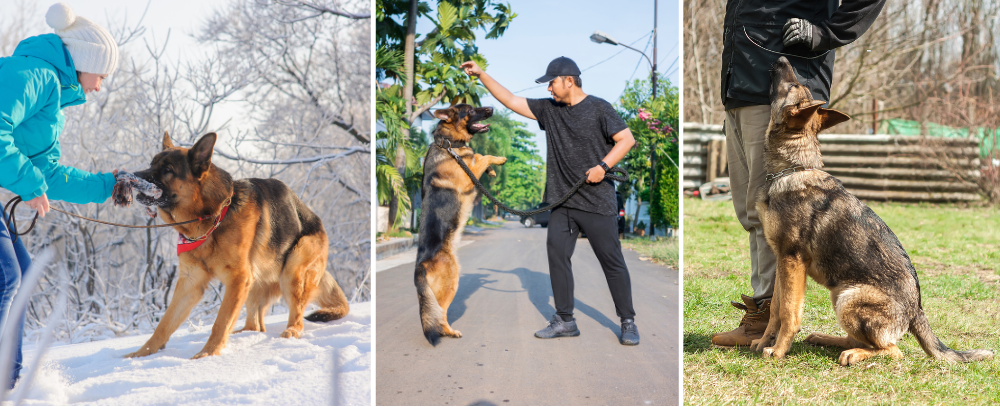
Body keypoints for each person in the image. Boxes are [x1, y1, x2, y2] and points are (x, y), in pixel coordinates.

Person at [711, 0, 886, 347]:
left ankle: (768, 321)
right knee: (752, 211)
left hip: (784, 90)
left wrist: (826, 34)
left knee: (777, 217)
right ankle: (765, 313)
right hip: (741, 83)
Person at [461, 57, 641, 346]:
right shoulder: (549, 110)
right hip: (562, 202)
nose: (549, 89)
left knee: (612, 261)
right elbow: (509, 99)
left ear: (569, 80)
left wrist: (603, 167)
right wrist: (482, 74)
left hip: (597, 201)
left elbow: (626, 139)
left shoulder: (599, 108)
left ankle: (628, 321)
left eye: (552, 82)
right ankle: (565, 321)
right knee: (557, 256)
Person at [0, 2, 122, 388]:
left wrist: (109, 184)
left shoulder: (51, 96)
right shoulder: (31, 74)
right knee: (7, 278)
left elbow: (49, 173)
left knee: (18, 277)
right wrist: (30, 184)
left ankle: (8, 383)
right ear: (84, 59)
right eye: (101, 74)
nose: (100, 85)